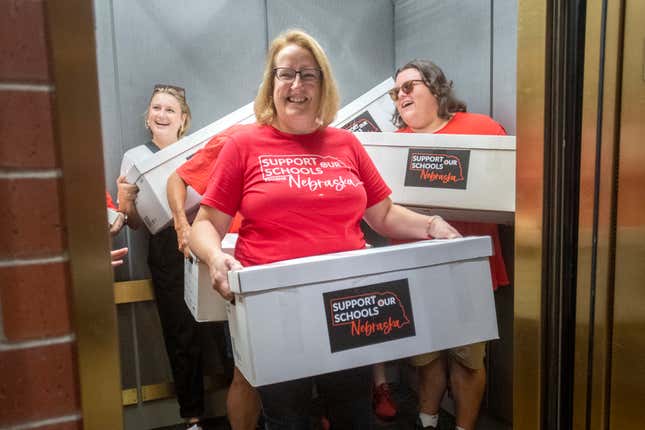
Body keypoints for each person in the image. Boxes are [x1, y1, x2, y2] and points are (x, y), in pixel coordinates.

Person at [188, 29, 461, 430]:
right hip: (275, 309)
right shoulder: (244, 145)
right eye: (286, 74)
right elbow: (206, 224)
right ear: (272, 84)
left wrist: (433, 225)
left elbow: (383, 214)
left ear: (323, 84)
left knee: (353, 413)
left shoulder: (346, 144)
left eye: (308, 75)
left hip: (347, 303)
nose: (297, 85)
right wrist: (214, 257)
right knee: (288, 419)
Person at [388, 59, 510, 430]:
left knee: (468, 361)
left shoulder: (481, 130)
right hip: (415, 269)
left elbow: (509, 188)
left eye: (409, 86)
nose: (401, 96)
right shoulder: (391, 145)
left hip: (468, 269)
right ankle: (427, 421)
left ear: (437, 88)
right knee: (424, 361)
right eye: (396, 92)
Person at [117, 84, 205, 430]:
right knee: (180, 332)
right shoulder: (134, 157)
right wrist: (126, 204)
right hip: (166, 249)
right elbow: (136, 223)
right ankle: (194, 416)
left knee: (222, 331)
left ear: (184, 120)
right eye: (156, 108)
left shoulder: (199, 151)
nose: (162, 115)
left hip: (205, 238)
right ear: (147, 117)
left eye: (170, 109)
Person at [167, 131, 260, 430]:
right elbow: (178, 178)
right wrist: (182, 224)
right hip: (237, 265)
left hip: (289, 266)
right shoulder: (236, 138)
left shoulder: (316, 139)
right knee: (245, 371)